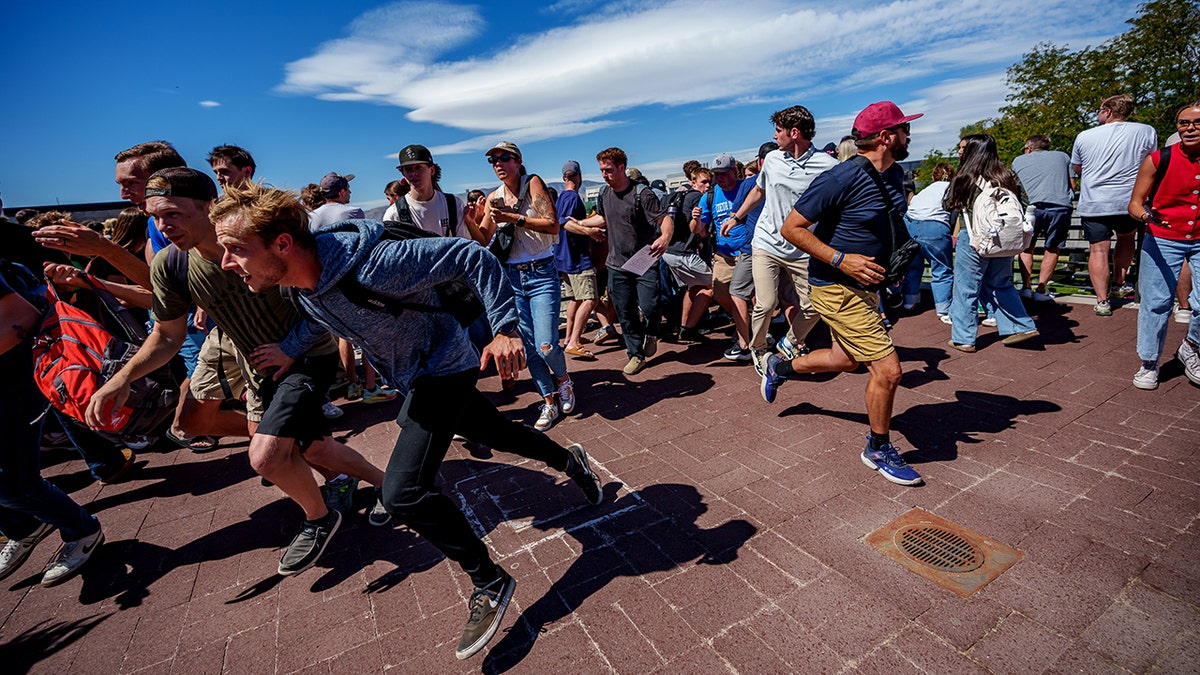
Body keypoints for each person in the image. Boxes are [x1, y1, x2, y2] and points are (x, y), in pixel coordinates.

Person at [212, 181, 604, 660]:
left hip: (445, 365)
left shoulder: (374, 265)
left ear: (281, 244)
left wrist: (503, 330)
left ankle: (488, 580)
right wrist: (289, 349)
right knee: (496, 432)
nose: (226, 263)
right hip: (416, 376)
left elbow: (470, 256)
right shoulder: (302, 285)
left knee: (403, 493)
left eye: (235, 249)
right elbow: (319, 317)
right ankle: (572, 462)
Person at [86, 168, 388, 576]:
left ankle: (319, 519)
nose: (163, 226)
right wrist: (122, 379)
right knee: (313, 448)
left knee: (266, 457)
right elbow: (167, 335)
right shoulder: (170, 265)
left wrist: (289, 348)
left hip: (306, 358)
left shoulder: (261, 240)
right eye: (154, 216)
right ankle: (389, 486)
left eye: (172, 213)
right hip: (258, 368)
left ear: (208, 206)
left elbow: (322, 296)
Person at [761, 100, 925, 486]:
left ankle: (778, 367)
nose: (908, 135)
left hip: (867, 286)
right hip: (835, 286)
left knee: (844, 360)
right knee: (888, 371)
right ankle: (878, 448)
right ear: (885, 137)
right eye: (903, 129)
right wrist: (842, 259)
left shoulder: (894, 173)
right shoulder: (841, 177)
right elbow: (792, 228)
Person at [0, 260, 105, 587]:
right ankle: (24, 528)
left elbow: (23, 317)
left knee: (18, 485)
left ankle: (83, 530)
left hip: (13, 388)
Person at [724, 106, 838, 367]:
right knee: (766, 303)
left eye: (778, 130)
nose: (775, 136)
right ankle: (758, 348)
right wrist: (737, 217)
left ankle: (790, 341)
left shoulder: (828, 166)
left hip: (802, 248)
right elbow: (759, 191)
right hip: (766, 243)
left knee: (813, 305)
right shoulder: (773, 159)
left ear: (794, 133)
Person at [479, 142, 574, 429]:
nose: (498, 163)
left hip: (541, 272)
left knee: (546, 345)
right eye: (493, 160)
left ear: (518, 162)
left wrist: (512, 218)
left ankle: (564, 380)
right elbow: (482, 238)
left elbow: (552, 224)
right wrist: (469, 219)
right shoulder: (493, 197)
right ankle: (548, 401)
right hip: (512, 276)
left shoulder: (532, 183)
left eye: (504, 158)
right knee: (530, 347)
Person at [569, 147, 672, 375]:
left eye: (608, 170)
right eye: (601, 170)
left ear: (621, 167)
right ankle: (635, 354)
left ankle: (652, 332)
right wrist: (581, 224)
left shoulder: (642, 193)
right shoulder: (604, 194)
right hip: (616, 264)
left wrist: (665, 237)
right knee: (625, 312)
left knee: (650, 306)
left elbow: (664, 219)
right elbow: (603, 218)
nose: (604, 175)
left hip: (644, 261)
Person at [1128, 101, 1200, 389]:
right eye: (1184, 123)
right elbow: (1135, 203)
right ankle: (1149, 362)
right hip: (1163, 238)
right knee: (1156, 302)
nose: (1190, 128)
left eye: (1197, 123)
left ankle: (1191, 346)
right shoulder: (1159, 159)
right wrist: (1146, 216)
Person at [946, 135, 1040, 352]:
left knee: (966, 288)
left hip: (973, 236)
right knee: (1002, 283)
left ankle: (964, 338)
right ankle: (1020, 326)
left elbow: (948, 203)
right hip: (1003, 238)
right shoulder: (1007, 175)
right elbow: (1025, 203)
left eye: (963, 149)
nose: (960, 152)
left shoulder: (965, 176)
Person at [1071, 94, 1158, 316]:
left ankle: (1102, 300)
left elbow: (1078, 168)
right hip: (1129, 200)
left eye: (1099, 111)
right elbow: (1152, 162)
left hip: (1095, 201)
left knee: (1098, 249)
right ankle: (1119, 283)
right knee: (1126, 238)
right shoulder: (1146, 131)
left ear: (1108, 112)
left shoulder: (1084, 136)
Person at [1012, 135, 1076, 301]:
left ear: (1028, 149)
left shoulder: (1018, 161)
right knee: (1053, 247)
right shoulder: (1063, 156)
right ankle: (1041, 290)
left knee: (1026, 247)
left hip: (1031, 207)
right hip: (1060, 207)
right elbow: (1073, 185)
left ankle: (1026, 288)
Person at [555, 160, 601, 359]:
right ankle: (574, 342)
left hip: (563, 257)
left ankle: (569, 338)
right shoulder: (573, 198)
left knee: (575, 298)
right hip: (577, 257)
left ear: (563, 177)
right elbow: (565, 223)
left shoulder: (560, 198)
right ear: (579, 176)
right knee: (591, 299)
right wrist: (589, 231)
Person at [901, 163, 956, 321]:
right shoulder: (952, 189)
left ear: (933, 177)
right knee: (941, 269)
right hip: (935, 227)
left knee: (913, 266)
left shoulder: (925, 191)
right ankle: (943, 309)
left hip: (911, 225)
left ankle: (909, 302)